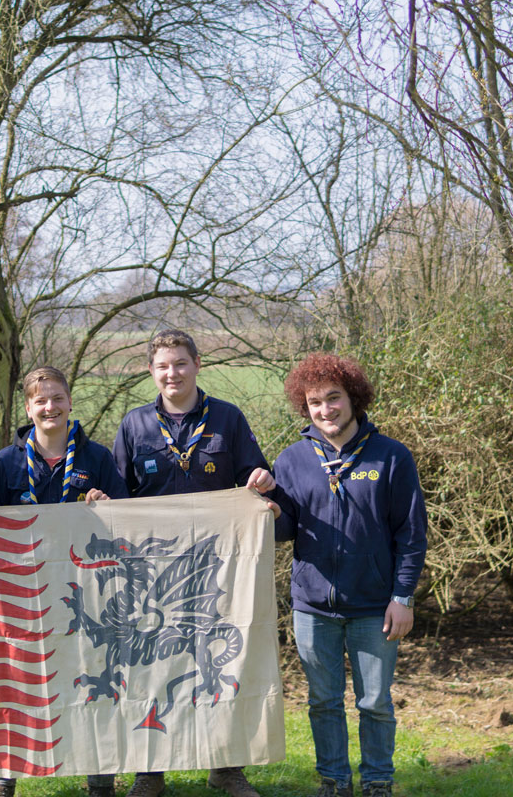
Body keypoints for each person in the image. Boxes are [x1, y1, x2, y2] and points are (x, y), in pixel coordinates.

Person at [112, 329, 276, 797]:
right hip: (152, 573)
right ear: (151, 371)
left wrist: (261, 480)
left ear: (197, 364)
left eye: (180, 363)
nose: (172, 373)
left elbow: (254, 478)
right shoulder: (135, 424)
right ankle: (150, 770)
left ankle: (226, 767)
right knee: (150, 668)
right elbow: (120, 498)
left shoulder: (227, 417)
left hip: (218, 569)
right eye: (163, 365)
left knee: (220, 664)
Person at [270, 353, 427, 797]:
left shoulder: (392, 456)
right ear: (305, 407)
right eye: (314, 402)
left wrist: (404, 597)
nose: (325, 409)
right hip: (312, 605)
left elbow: (411, 535)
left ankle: (378, 782)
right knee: (322, 702)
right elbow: (285, 534)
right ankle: (334, 782)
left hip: (375, 606)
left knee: (375, 702)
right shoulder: (293, 460)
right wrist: (269, 506)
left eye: (333, 398)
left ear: (353, 398)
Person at [0, 366, 129, 797]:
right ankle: (4, 776)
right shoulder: (8, 461)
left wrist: (104, 505)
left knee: (92, 677)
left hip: (84, 590)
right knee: (16, 678)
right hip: (24, 590)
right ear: (28, 408)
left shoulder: (96, 458)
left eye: (58, 398)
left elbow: (123, 522)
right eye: (40, 400)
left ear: (70, 402)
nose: (51, 407)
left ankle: (99, 776)